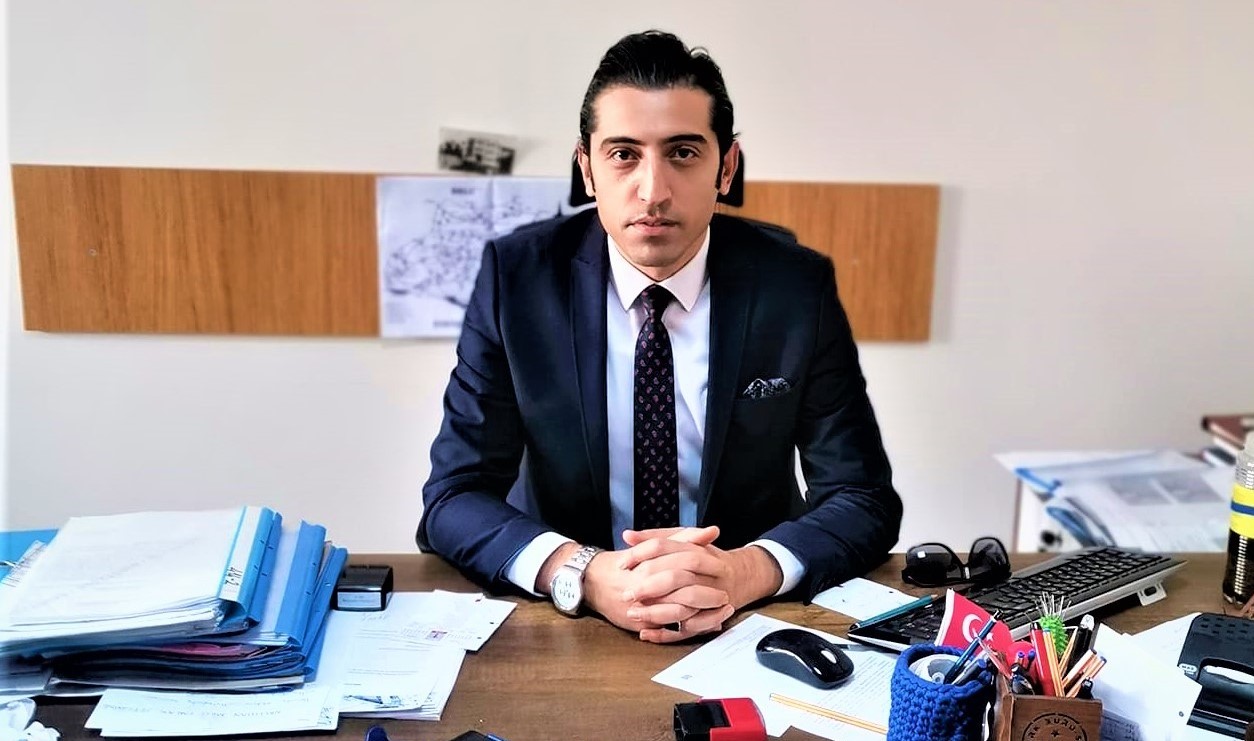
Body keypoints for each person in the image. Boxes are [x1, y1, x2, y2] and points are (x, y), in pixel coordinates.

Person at [418, 30, 901, 644]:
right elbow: (454, 498)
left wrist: (745, 572)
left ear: (726, 167)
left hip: (745, 622)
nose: (653, 191)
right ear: (587, 169)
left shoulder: (794, 287)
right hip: (572, 622)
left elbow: (862, 495)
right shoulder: (517, 281)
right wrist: (583, 573)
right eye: (623, 154)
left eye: (683, 153)